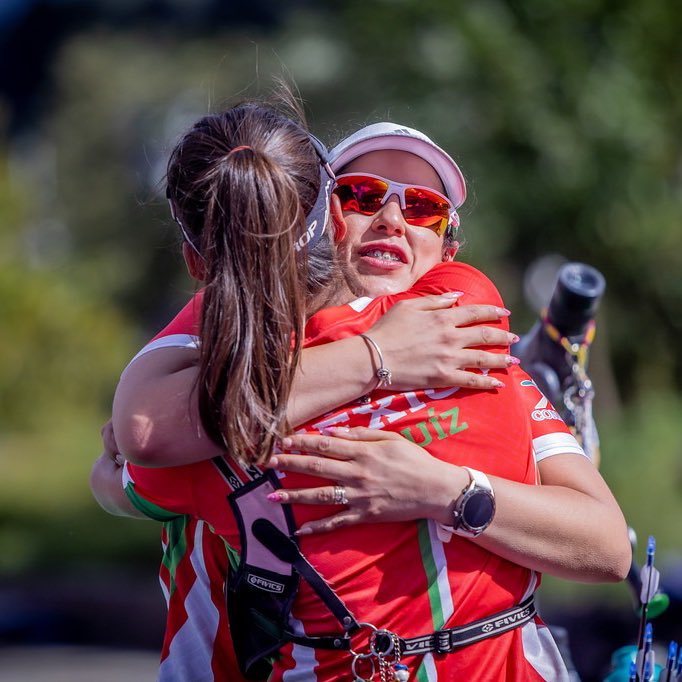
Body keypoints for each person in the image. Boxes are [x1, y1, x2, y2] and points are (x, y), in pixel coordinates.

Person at [91, 111, 630, 680]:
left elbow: (606, 547)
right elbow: (145, 435)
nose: (393, 218)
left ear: (447, 250)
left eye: (423, 207)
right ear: (324, 220)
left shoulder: (471, 339)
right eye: (364, 195)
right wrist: (376, 355)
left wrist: (443, 489)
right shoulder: (237, 346)